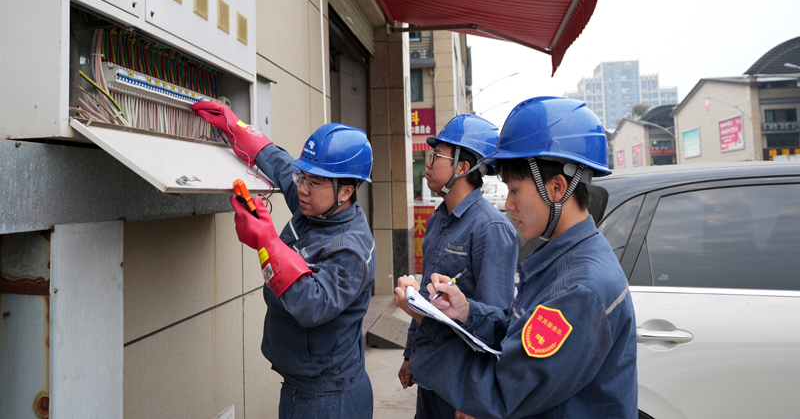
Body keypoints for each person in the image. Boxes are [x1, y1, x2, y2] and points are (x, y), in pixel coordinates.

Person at [394, 97, 638, 418]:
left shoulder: (580, 289)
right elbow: (519, 332)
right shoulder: (562, 260)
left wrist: (427, 326)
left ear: (556, 188)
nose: (508, 204)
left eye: (514, 190)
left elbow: (502, 393)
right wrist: (468, 312)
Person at [192, 102, 376, 419]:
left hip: (328, 399)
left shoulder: (350, 249)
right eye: (302, 177)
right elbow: (278, 164)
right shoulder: (317, 204)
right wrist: (236, 127)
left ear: (345, 191)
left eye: (312, 182)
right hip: (303, 389)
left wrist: (266, 241)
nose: (301, 188)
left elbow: (310, 303)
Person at [398, 114, 518, 419]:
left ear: (462, 167)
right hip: (432, 371)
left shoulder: (490, 228)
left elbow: (495, 324)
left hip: (462, 385)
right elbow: (427, 301)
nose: (427, 162)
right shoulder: (439, 219)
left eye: (437, 155)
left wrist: (477, 398)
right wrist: (412, 353)